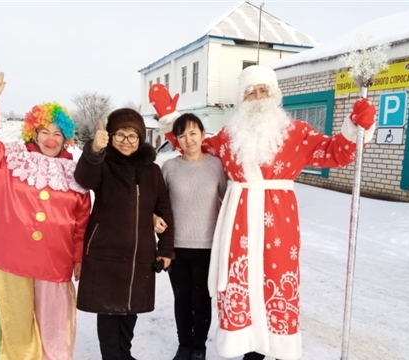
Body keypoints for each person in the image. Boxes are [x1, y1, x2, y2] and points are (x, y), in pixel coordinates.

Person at [149, 65, 376, 360]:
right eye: (250, 92)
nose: (257, 97)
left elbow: (334, 151)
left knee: (277, 274)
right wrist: (171, 118)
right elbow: (194, 144)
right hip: (239, 220)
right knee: (241, 280)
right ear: (241, 100)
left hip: (278, 219)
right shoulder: (231, 136)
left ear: (274, 94)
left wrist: (356, 127)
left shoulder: (296, 133)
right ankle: (248, 346)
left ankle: (278, 343)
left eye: (262, 89)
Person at [0, 67, 91, 360]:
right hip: (11, 262)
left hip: (54, 266)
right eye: (44, 131)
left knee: (55, 334)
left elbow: (81, 223)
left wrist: (79, 258)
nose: (51, 139)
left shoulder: (76, 174)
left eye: (58, 133)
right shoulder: (9, 158)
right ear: (32, 132)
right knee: (16, 336)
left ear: (66, 138)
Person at [74, 108, 175, 360]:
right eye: (119, 135)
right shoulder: (103, 164)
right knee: (108, 312)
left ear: (141, 138)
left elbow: (163, 208)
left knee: (130, 310)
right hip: (105, 252)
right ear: (110, 136)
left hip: (138, 253)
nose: (125, 141)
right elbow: (84, 179)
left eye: (132, 136)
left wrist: (165, 249)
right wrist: (94, 151)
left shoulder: (151, 170)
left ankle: (124, 355)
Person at [154, 113, 227, 360]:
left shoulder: (216, 165)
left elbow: (229, 201)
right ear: (176, 140)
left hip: (208, 246)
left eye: (193, 133)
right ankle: (184, 344)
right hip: (177, 247)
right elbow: (158, 204)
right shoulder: (170, 167)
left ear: (203, 135)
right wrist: (155, 220)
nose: (188, 139)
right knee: (182, 298)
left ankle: (199, 347)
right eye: (182, 135)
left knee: (202, 298)